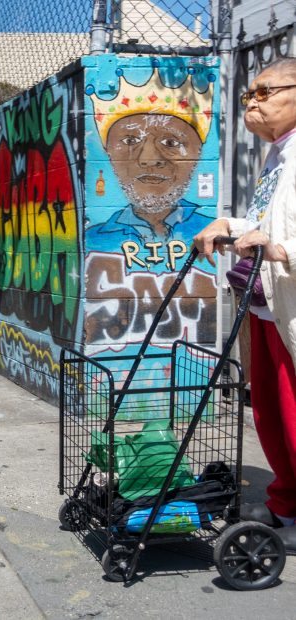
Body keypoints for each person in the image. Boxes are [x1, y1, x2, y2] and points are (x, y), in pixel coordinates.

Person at [194, 57, 296, 547]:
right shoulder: (278, 152)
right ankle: (287, 504)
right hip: (264, 305)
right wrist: (230, 226)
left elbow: (282, 236)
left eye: (264, 91)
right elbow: (267, 218)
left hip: (288, 302)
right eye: (249, 94)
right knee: (270, 415)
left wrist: (280, 248)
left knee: (294, 415)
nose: (252, 102)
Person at [85, 70, 215, 270]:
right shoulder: (92, 239)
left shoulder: (212, 233)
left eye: (171, 142)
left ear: (198, 152)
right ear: (108, 152)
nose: (149, 160)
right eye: (130, 141)